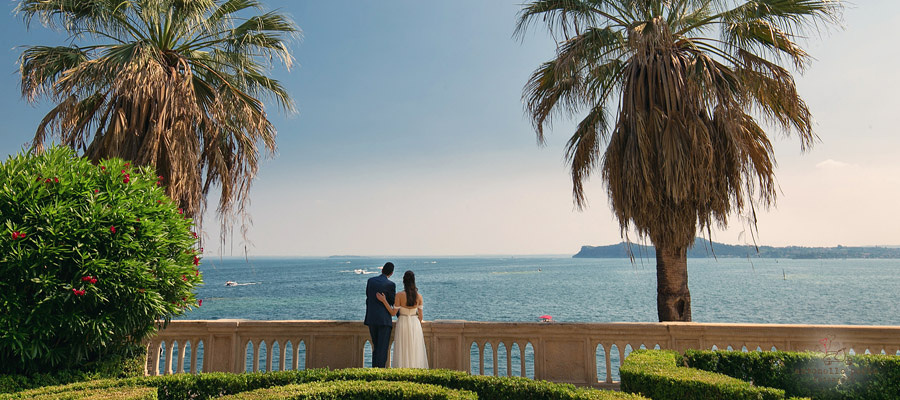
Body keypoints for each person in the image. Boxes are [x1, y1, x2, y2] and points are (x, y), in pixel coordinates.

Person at [376, 270, 428, 369]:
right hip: (415, 324)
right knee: (414, 350)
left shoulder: (399, 295)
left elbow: (393, 313)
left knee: (403, 348)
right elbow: (421, 317)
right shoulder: (419, 296)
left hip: (403, 322)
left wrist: (384, 301)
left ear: (404, 281)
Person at [364, 261, 395, 368]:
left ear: (382, 270)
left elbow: (368, 297)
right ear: (391, 273)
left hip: (371, 319)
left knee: (376, 347)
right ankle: (380, 371)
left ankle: (374, 370)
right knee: (382, 349)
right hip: (384, 321)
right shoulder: (390, 284)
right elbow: (392, 301)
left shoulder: (370, 281)